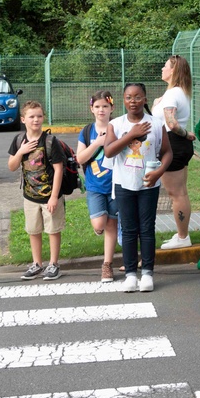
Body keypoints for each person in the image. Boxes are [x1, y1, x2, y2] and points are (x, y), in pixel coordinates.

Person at [103, 83, 172, 292]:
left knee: (147, 229)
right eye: (128, 97)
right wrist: (131, 135)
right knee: (129, 229)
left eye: (137, 97)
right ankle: (131, 274)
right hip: (124, 184)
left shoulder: (156, 123)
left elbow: (167, 152)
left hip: (148, 185)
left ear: (145, 99)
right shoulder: (116, 124)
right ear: (123, 100)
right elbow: (108, 152)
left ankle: (148, 273)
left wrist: (159, 172)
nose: (133, 101)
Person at [7, 100, 66, 281]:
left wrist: (54, 197)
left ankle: (53, 264)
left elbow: (58, 169)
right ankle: (37, 263)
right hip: (30, 196)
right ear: (23, 119)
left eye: (39, 116)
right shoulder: (18, 141)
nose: (36, 120)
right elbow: (11, 166)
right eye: (31, 117)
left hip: (49, 195)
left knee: (53, 229)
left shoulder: (50, 141)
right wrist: (21, 151)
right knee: (34, 230)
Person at [76, 90, 120, 283]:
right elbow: (80, 158)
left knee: (111, 224)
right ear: (91, 109)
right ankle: (98, 225)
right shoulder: (87, 131)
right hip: (94, 186)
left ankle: (107, 265)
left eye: (105, 106)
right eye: (97, 107)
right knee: (99, 224)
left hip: (116, 185)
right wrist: (97, 143)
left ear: (112, 108)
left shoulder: (118, 128)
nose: (101, 110)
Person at [154, 55, 197, 250]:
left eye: (165, 66)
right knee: (179, 193)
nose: (162, 68)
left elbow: (171, 123)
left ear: (173, 71)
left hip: (172, 143)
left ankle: (182, 236)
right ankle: (182, 234)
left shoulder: (173, 94)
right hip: (175, 144)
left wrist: (186, 134)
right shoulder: (177, 92)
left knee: (176, 194)